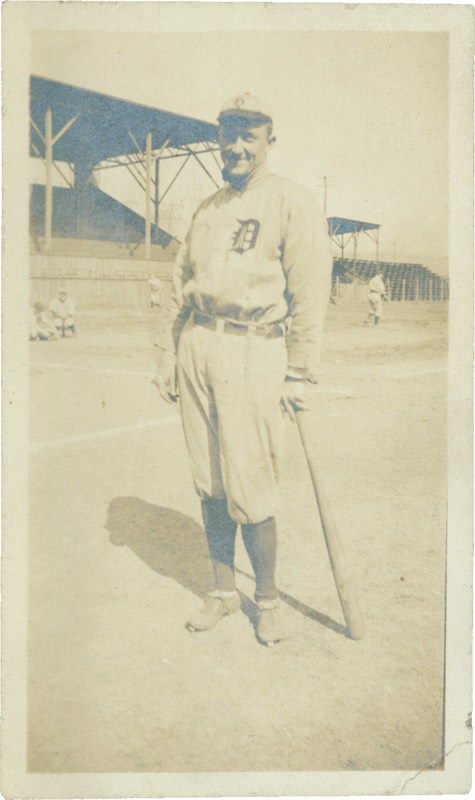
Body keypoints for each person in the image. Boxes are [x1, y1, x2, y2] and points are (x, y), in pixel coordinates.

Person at [153, 93, 333, 645]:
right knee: (209, 480)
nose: (235, 146)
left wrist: (300, 370)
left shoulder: (291, 201)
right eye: (228, 134)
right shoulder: (205, 209)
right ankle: (224, 592)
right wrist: (168, 351)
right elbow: (178, 284)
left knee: (250, 485)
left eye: (248, 136)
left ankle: (269, 599)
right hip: (199, 345)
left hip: (254, 348)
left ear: (267, 141)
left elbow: (310, 292)